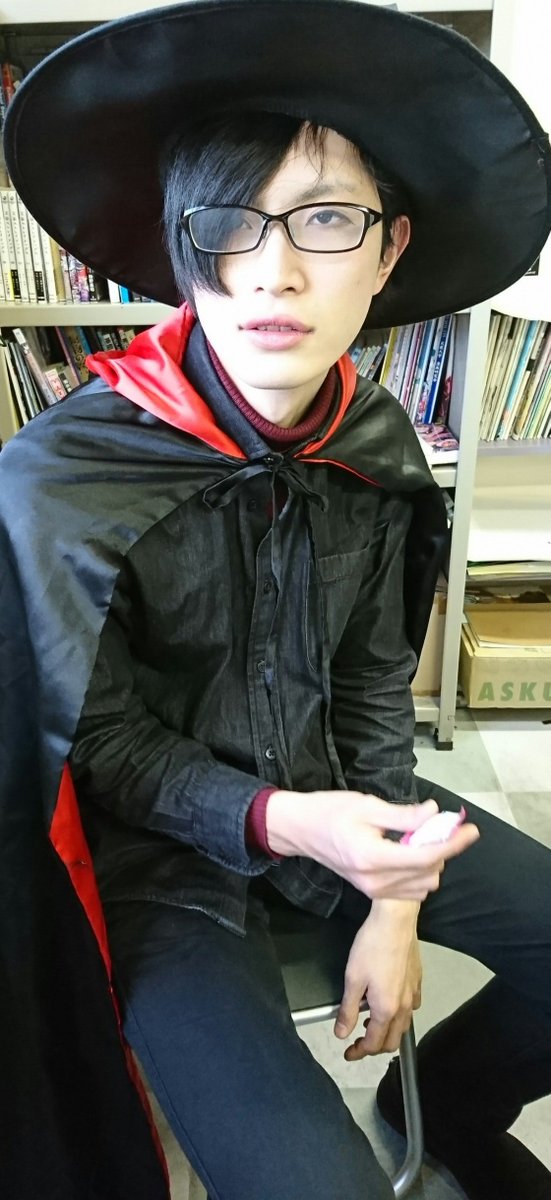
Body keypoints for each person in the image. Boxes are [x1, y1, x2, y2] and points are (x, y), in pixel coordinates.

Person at [1, 3, 550, 1199]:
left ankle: (448, 1114)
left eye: (325, 219)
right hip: (161, 868)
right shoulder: (65, 472)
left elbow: (369, 681)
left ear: (389, 249)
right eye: (228, 225)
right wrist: (286, 823)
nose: (272, 271)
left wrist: (393, 895)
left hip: (349, 799)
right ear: (181, 244)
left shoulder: (374, 439)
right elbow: (96, 743)